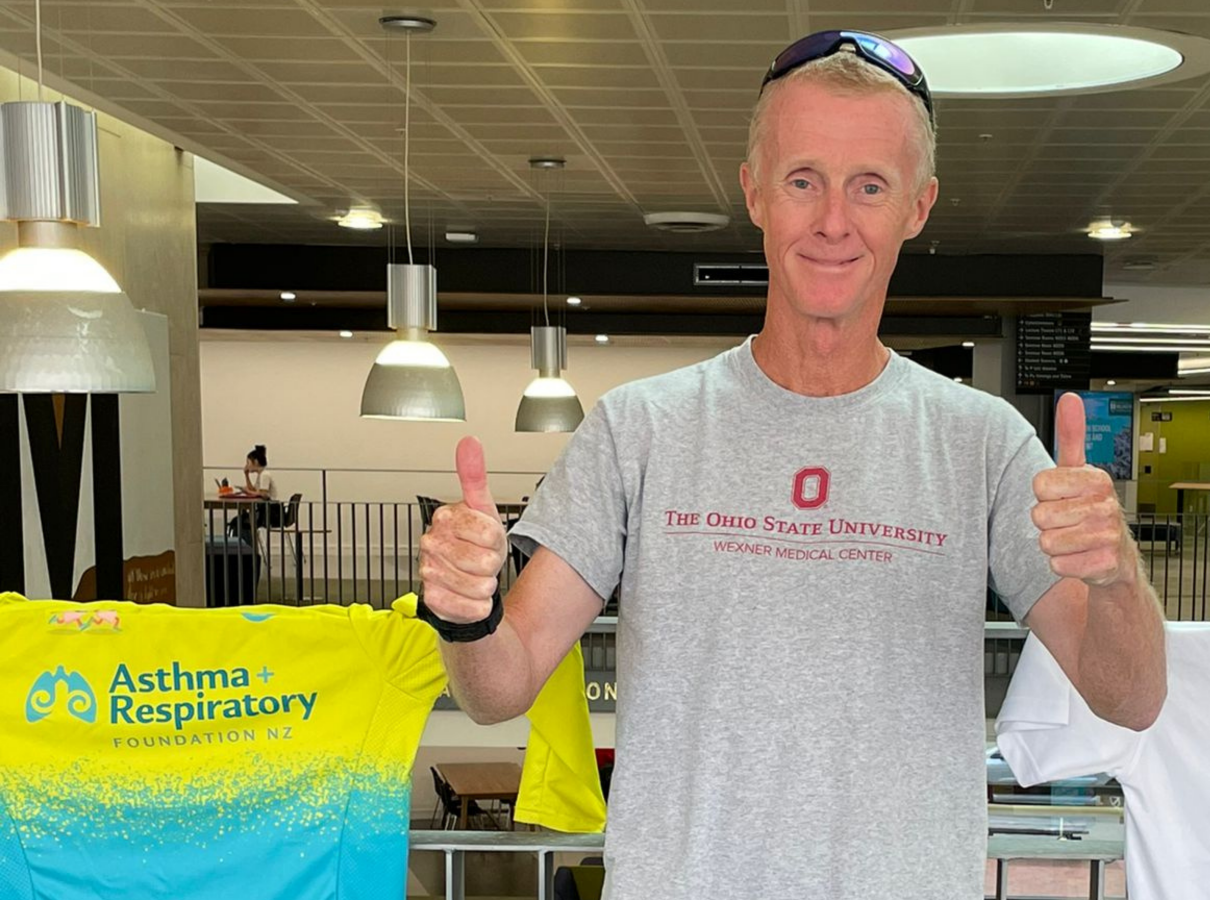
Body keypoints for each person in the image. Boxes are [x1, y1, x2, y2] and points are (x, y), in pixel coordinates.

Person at [417, 30, 1167, 900]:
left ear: (918, 207)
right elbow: (499, 688)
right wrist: (464, 616)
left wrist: (1117, 579)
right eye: (803, 180)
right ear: (755, 192)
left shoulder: (984, 442)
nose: (834, 221)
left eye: (870, 187)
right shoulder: (642, 428)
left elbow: (1132, 698)